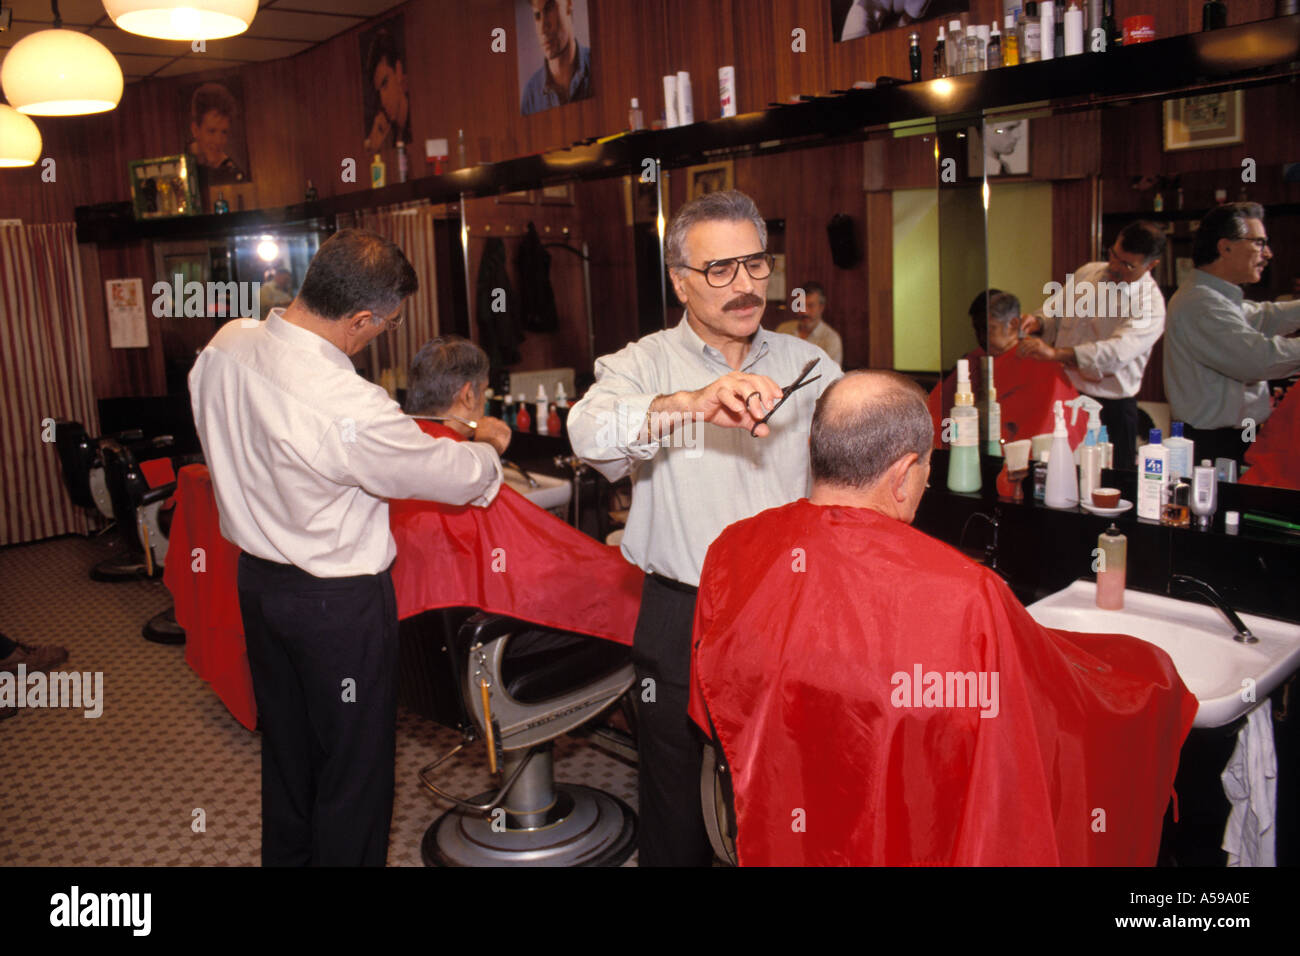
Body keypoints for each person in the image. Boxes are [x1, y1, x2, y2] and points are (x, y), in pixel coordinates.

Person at [690, 370, 1197, 865]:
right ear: (904, 473)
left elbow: (719, 703)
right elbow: (1037, 727)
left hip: (779, 823)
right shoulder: (966, 595)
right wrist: (1149, 678)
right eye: (928, 471)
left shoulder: (732, 549)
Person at [188, 229, 511, 867]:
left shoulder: (225, 346)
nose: (380, 336)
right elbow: (451, 477)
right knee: (353, 775)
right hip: (335, 608)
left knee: (289, 755)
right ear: (361, 317)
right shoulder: (347, 405)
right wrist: (486, 445)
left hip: (258, 584)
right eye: (385, 325)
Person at [567, 189, 840, 866]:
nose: (745, 286)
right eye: (719, 270)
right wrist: (689, 403)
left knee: (792, 788)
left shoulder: (809, 363)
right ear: (681, 281)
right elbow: (589, 435)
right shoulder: (646, 363)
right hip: (682, 612)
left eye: (755, 264)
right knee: (675, 797)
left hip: (790, 608)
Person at [390, 336, 642, 642]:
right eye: (482, 393)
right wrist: (618, 570)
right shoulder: (467, 469)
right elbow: (536, 565)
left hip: (416, 639)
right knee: (626, 586)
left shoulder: (395, 454)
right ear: (468, 396)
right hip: (486, 636)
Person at [1018, 220, 1167, 469]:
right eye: (1114, 256)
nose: (1115, 267)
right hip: (1066, 395)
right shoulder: (1089, 272)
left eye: (1127, 264)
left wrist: (1056, 353)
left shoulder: (1150, 305)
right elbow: (1055, 311)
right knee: (1058, 471)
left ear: (1150, 265)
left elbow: (1114, 353)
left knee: (1112, 483)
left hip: (1111, 407)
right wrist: (1038, 322)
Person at [1163, 202, 1300, 466]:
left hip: (1233, 439)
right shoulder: (1200, 303)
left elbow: (1266, 316)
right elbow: (1257, 359)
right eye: (1259, 243)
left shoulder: (1216, 297)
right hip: (1215, 446)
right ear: (1225, 247)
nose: (1268, 254)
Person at [928, 290, 1086, 449]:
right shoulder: (974, 360)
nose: (981, 337)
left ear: (1014, 324)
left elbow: (1041, 434)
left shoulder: (1041, 364)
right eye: (977, 329)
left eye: (988, 329)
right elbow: (937, 415)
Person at [520, 0, 592, 116]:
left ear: (568, 5)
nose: (543, 28)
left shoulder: (599, 66)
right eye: (537, 15)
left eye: (549, 9)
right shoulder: (531, 96)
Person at [186, 83, 245, 182]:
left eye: (224, 132)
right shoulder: (179, 165)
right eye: (211, 131)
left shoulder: (233, 174)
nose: (218, 141)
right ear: (195, 130)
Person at [364, 27, 411, 151]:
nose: (383, 99)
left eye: (385, 83)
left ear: (398, 72)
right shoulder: (388, 129)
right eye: (379, 92)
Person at [775, 281, 843, 365]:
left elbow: (832, 376)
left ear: (821, 307)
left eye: (810, 306)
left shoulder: (831, 339)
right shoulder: (783, 330)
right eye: (800, 305)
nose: (804, 312)